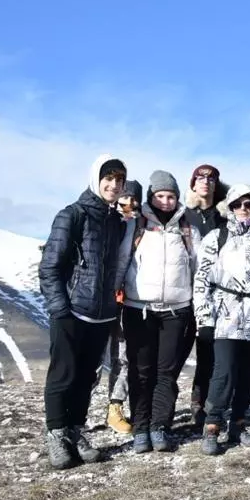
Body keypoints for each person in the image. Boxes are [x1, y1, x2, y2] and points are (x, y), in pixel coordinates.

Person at [38, 154, 127, 470]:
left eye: (119, 180)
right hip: (72, 311)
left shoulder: (115, 222)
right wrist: (60, 309)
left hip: (102, 314)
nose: (114, 185)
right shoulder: (72, 215)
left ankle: (75, 432)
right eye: (108, 178)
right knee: (63, 375)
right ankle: (56, 434)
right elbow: (50, 266)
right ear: (96, 179)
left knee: (87, 377)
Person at [116, 171, 200, 453]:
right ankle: (141, 427)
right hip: (138, 309)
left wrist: (196, 305)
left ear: (177, 198)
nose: (165, 201)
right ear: (151, 197)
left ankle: (160, 426)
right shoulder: (136, 225)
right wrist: (115, 298)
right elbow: (122, 261)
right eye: (160, 196)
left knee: (166, 373)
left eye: (171, 196)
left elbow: (198, 269)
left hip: (177, 311)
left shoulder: (187, 229)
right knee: (141, 371)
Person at [193, 184, 250, 455]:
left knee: (249, 374)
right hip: (225, 315)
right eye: (237, 204)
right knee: (224, 372)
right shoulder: (216, 237)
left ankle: (238, 424)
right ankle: (212, 425)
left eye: (248, 204)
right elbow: (202, 280)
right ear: (229, 207)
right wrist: (204, 318)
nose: (243, 208)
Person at [95, 179, 142, 435]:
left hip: (126, 299)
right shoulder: (103, 220)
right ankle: (75, 413)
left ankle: (115, 408)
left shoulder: (141, 225)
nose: (129, 203)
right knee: (92, 358)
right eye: (125, 197)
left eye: (134, 199)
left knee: (123, 357)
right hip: (97, 300)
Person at [184, 164, 228, 429]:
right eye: (200, 178)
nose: (205, 182)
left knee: (208, 352)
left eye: (211, 178)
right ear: (193, 183)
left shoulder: (224, 217)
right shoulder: (182, 215)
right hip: (181, 292)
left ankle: (200, 403)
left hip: (214, 294)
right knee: (175, 354)